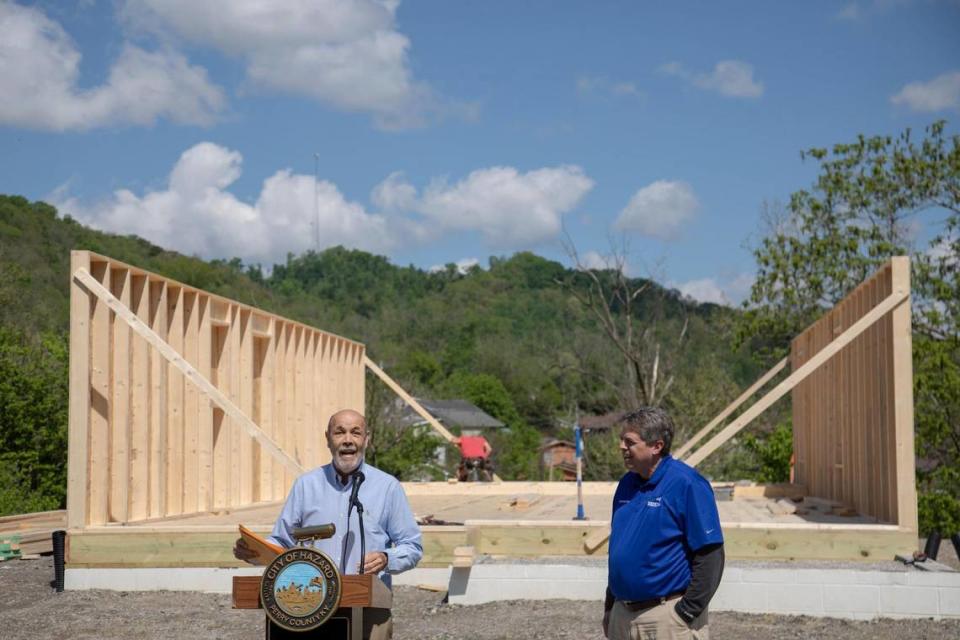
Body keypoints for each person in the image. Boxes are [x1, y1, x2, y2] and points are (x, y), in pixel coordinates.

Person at [234, 408, 422, 640]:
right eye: (339, 432)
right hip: (310, 605)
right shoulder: (306, 485)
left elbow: (412, 547)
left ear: (367, 439)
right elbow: (281, 542)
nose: (348, 441)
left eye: (355, 433)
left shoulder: (388, 487)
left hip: (369, 606)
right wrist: (254, 551)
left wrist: (386, 558)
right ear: (327, 439)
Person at [603, 407, 724, 640]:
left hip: (665, 618)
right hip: (622, 615)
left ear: (656, 446)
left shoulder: (686, 484)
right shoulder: (626, 484)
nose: (621, 447)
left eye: (629, 442)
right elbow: (620, 551)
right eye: (621, 440)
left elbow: (710, 554)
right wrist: (610, 607)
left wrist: (686, 612)